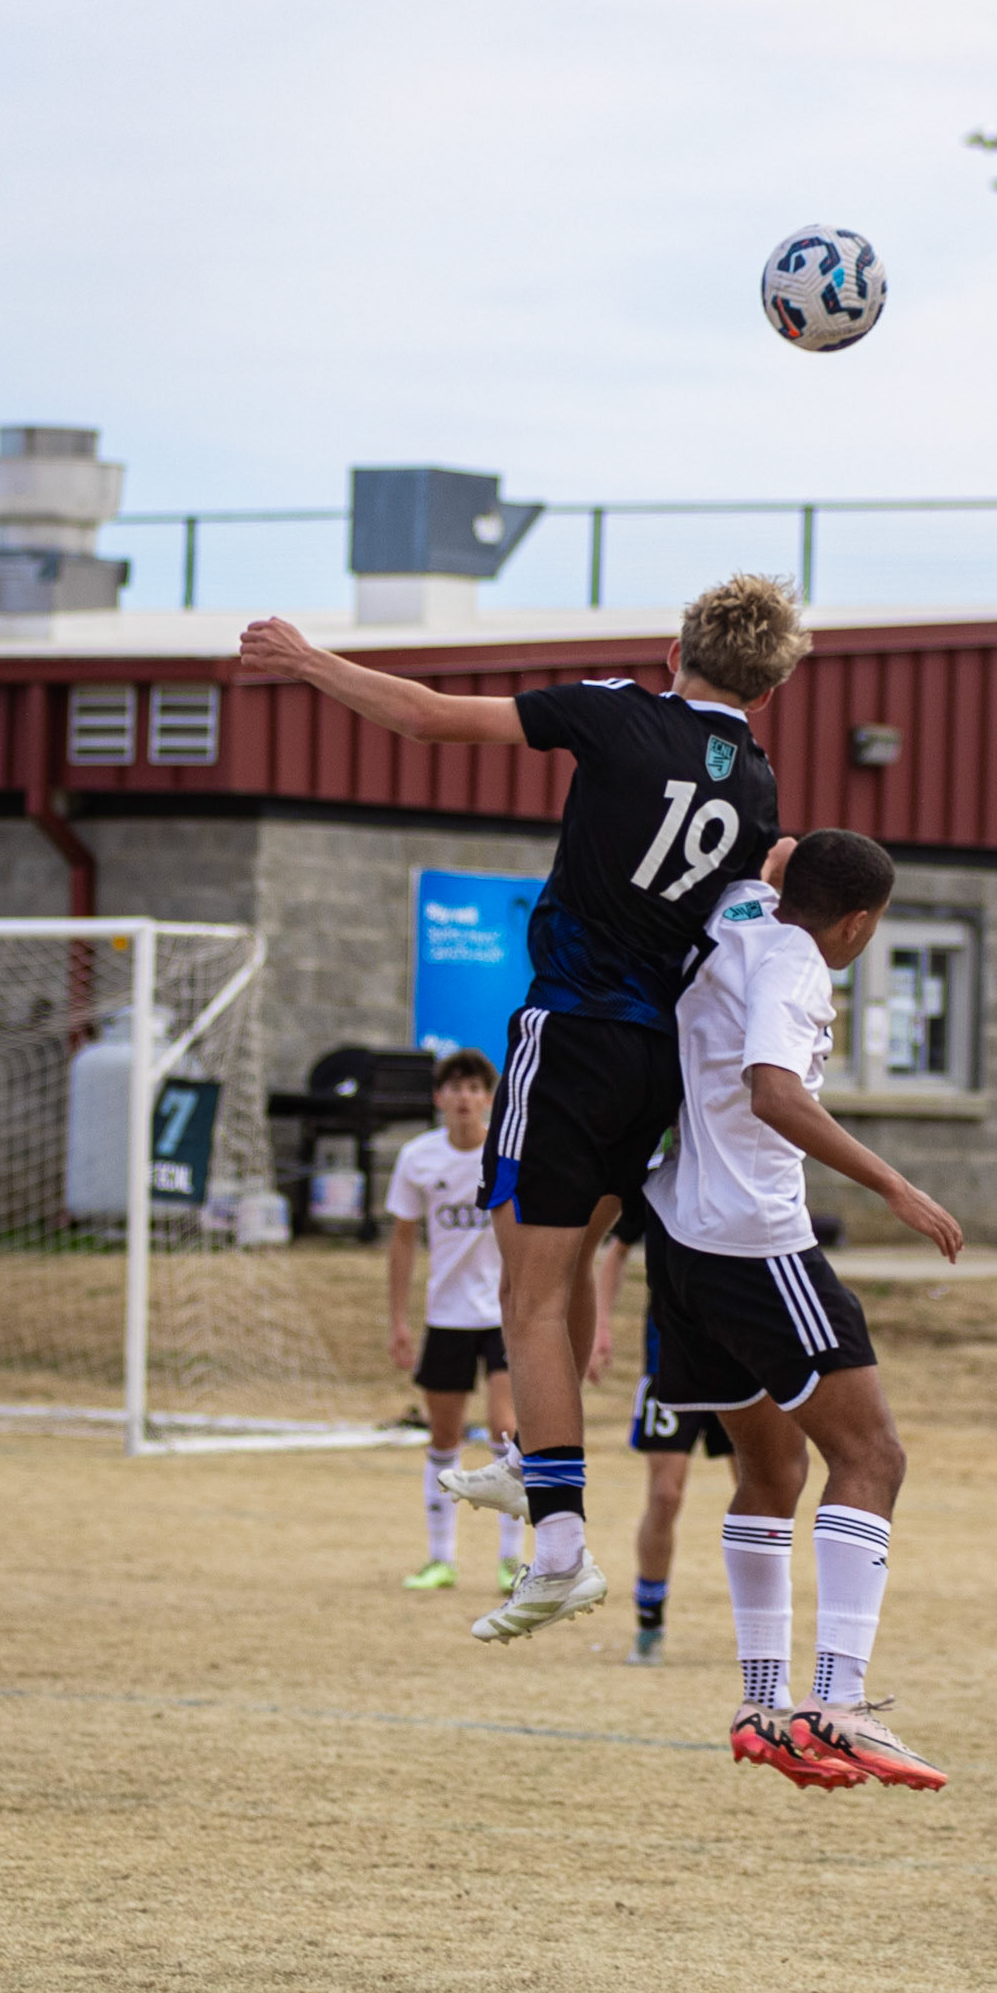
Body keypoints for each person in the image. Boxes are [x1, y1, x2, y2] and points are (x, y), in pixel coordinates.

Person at [240, 576, 803, 1641]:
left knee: (525, 1293)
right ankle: (530, 1458)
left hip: (574, 1030)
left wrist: (309, 662)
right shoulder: (760, 782)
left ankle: (557, 1545)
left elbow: (426, 717)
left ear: (673, 649)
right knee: (573, 1261)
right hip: (657, 1057)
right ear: (767, 692)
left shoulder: (619, 712)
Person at [643, 828, 964, 1789]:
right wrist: (895, 1187)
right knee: (872, 1457)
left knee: (773, 1468)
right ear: (858, 922)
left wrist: (772, 866)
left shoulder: (737, 911)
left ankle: (760, 1707)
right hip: (755, 1242)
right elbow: (775, 1095)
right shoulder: (795, 964)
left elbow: (768, 866)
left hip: (680, 1242)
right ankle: (837, 1702)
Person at [385, 1050, 524, 1594]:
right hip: (446, 1316)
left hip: (502, 1314)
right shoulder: (418, 1158)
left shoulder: (507, 1153)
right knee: (444, 1436)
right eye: (454, 1087)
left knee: (505, 1429)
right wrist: (398, 1320)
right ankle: (440, 1558)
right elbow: (402, 1241)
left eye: (474, 1088)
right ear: (438, 1097)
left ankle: (511, 1560)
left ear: (489, 1098)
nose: (464, 1098)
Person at [589, 1183, 734, 1667]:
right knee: (666, 1495)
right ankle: (650, 1623)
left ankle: (762, 1629)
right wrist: (600, 1328)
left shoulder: (740, 1176)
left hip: (740, 1357)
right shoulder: (658, 1179)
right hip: (669, 1362)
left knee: (761, 1489)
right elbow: (616, 1251)